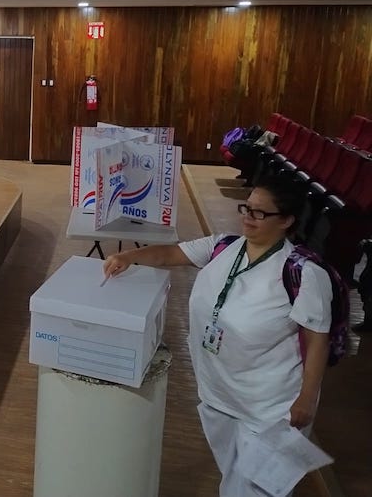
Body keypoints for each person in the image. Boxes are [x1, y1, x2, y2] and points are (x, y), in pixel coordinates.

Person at [102, 176, 332, 496]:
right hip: (219, 395)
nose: (248, 218)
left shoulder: (304, 274)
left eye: (260, 213)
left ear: (286, 221)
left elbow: (318, 340)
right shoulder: (223, 246)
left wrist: (306, 398)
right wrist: (128, 257)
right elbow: (170, 254)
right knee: (233, 479)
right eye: (246, 208)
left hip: (272, 408)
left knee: (258, 490)